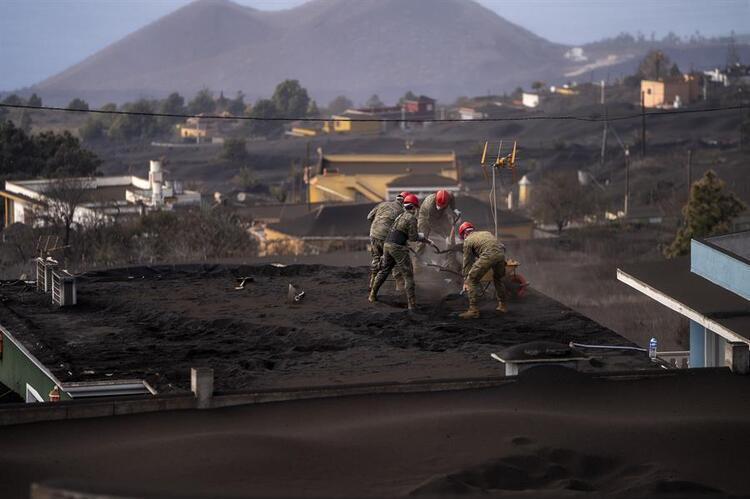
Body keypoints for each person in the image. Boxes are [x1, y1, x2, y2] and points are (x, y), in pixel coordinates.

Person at [369, 193, 432, 312]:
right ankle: (412, 305)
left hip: (387, 244)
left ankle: (372, 295)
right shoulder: (411, 218)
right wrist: (422, 237)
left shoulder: (400, 216)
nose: (416, 211)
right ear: (413, 207)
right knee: (408, 275)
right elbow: (413, 237)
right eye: (416, 208)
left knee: (384, 270)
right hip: (397, 247)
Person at [457, 221, 508, 319]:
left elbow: (467, 262)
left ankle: (473, 311)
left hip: (488, 256)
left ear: (464, 234)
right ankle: (503, 306)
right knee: (498, 279)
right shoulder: (486, 233)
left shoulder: (468, 240)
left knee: (472, 279)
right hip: (500, 255)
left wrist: (465, 280)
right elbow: (502, 246)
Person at [366, 192, 410, 290]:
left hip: (373, 233)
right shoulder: (402, 212)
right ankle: (399, 286)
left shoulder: (383, 204)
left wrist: (377, 225)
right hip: (386, 236)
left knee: (376, 258)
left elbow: (369, 217)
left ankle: (372, 283)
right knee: (393, 259)